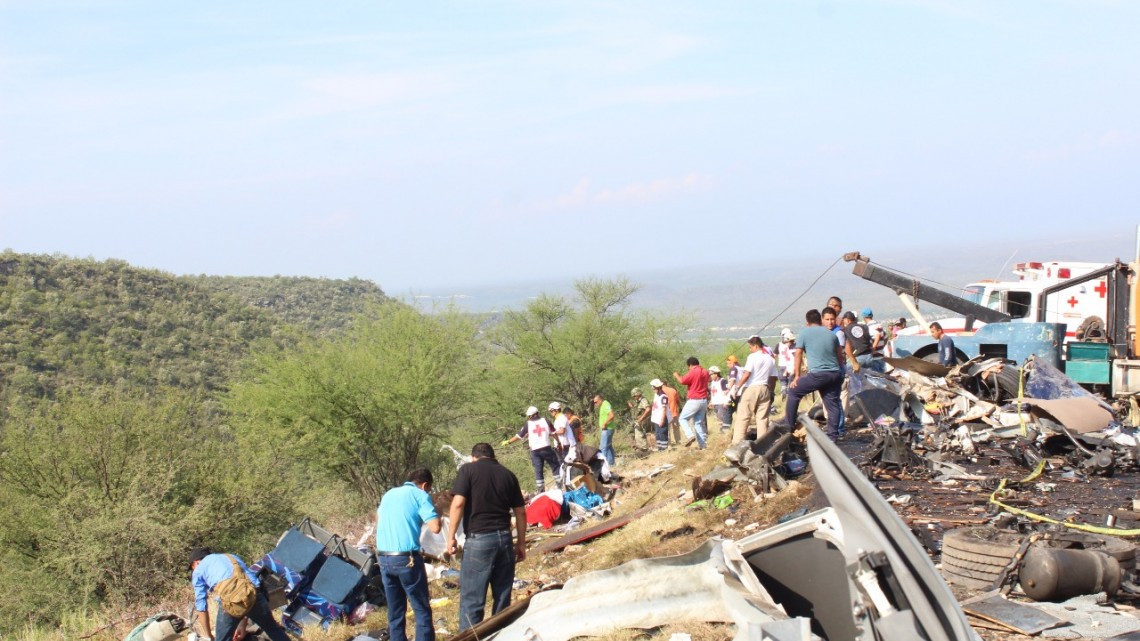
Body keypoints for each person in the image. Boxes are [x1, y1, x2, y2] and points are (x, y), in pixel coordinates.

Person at [447, 443, 526, 631]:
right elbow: (521, 512)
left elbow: (458, 504)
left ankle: (471, 636)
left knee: (472, 600)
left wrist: (451, 537)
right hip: (505, 539)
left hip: (479, 540)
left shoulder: (467, 470)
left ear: (474, 457)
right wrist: (521, 543)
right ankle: (500, 635)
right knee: (502, 598)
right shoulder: (508, 474)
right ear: (493, 456)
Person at [375, 469, 442, 641]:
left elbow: (378, 519)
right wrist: (435, 510)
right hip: (407, 559)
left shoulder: (389, 494)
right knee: (421, 608)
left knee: (395, 611)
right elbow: (435, 527)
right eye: (429, 489)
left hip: (383, 558)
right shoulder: (420, 495)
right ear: (425, 485)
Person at [189, 548, 291, 641]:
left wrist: (208, 636)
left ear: (196, 563)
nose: (193, 570)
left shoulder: (198, 570)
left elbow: (201, 607)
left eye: (192, 567)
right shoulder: (230, 557)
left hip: (231, 602)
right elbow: (245, 592)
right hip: (256, 594)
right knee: (272, 629)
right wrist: (242, 625)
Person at [783, 309, 844, 440]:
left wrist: (797, 376)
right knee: (832, 405)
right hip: (834, 374)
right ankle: (833, 436)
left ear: (807, 323)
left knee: (794, 392)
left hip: (818, 374)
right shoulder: (831, 335)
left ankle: (788, 426)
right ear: (820, 321)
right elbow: (840, 357)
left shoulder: (805, 333)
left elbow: (798, 354)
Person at [730, 336, 777, 443]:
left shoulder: (752, 357)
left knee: (743, 417)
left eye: (750, 347)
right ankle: (763, 444)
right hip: (765, 388)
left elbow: (747, 374)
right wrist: (771, 392)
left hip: (751, 388)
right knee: (762, 419)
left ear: (755, 346)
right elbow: (774, 378)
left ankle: (737, 444)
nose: (750, 349)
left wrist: (737, 387)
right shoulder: (770, 359)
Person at [502, 407, 560, 491]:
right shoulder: (546, 421)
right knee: (555, 466)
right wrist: (558, 442)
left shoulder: (528, 424)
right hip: (546, 448)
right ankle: (560, 486)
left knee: (538, 470)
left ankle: (541, 491)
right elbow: (554, 433)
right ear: (538, 413)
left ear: (529, 416)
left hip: (535, 451)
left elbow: (519, 436)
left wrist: (508, 442)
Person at [673, 357, 710, 449]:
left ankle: (690, 435)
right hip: (703, 400)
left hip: (694, 400)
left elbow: (682, 381)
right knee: (698, 423)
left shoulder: (693, 371)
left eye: (688, 367)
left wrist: (677, 375)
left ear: (690, 365)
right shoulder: (705, 371)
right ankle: (703, 445)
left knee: (682, 418)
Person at [593, 394, 617, 466]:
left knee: (603, 447)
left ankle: (602, 465)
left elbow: (611, 415)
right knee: (608, 446)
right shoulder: (603, 405)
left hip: (607, 429)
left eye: (596, 402)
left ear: (600, 400)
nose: (595, 404)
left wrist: (604, 424)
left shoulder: (605, 404)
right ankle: (611, 463)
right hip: (607, 429)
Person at [707, 366, 732, 433]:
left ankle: (726, 432)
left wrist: (726, 402)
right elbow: (713, 393)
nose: (710, 376)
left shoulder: (723, 381)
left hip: (722, 403)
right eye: (710, 375)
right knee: (719, 419)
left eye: (711, 374)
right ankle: (722, 432)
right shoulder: (712, 383)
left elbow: (727, 392)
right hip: (715, 403)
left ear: (716, 373)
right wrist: (711, 401)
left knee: (723, 419)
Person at [649, 379, 670, 452]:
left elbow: (664, 409)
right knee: (658, 433)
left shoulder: (663, 396)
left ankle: (664, 449)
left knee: (662, 433)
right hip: (656, 418)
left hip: (662, 418)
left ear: (658, 387)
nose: (653, 389)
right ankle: (660, 448)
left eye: (653, 388)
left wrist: (662, 420)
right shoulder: (656, 395)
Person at [777, 328, 797, 397]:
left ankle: (786, 394)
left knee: (786, 383)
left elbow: (794, 360)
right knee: (788, 382)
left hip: (789, 368)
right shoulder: (792, 347)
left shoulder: (782, 346)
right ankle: (786, 394)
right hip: (788, 367)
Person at [661, 381, 682, 446]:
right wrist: (680, 408)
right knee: (676, 428)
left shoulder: (660, 392)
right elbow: (678, 401)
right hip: (674, 412)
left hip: (666, 414)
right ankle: (678, 442)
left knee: (667, 430)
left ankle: (669, 444)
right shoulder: (673, 390)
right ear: (666, 384)